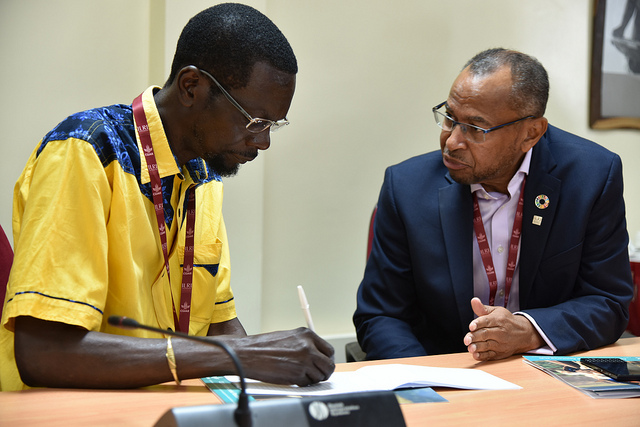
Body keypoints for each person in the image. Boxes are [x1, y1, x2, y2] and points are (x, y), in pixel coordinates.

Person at [1, 3, 334, 391]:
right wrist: (241, 355)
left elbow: (220, 326)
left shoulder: (203, 176)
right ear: (192, 86)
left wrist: (278, 368)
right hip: (71, 409)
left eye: (273, 125)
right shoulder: (85, 151)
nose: (263, 141)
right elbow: (44, 353)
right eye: (254, 121)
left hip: (161, 405)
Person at [353, 48, 634, 362]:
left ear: (531, 133)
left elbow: (608, 301)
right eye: (449, 117)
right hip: (446, 371)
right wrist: (424, 382)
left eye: (475, 128)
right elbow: (380, 315)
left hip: (544, 372)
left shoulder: (591, 177)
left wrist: (528, 331)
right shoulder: (406, 188)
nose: (451, 141)